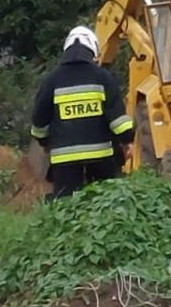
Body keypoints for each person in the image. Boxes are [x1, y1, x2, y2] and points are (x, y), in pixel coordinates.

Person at [29, 25, 134, 197]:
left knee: (66, 206)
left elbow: (39, 121)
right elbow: (119, 122)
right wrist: (127, 140)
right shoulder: (103, 78)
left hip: (64, 161)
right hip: (101, 158)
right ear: (93, 49)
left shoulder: (51, 80)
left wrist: (44, 142)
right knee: (104, 202)